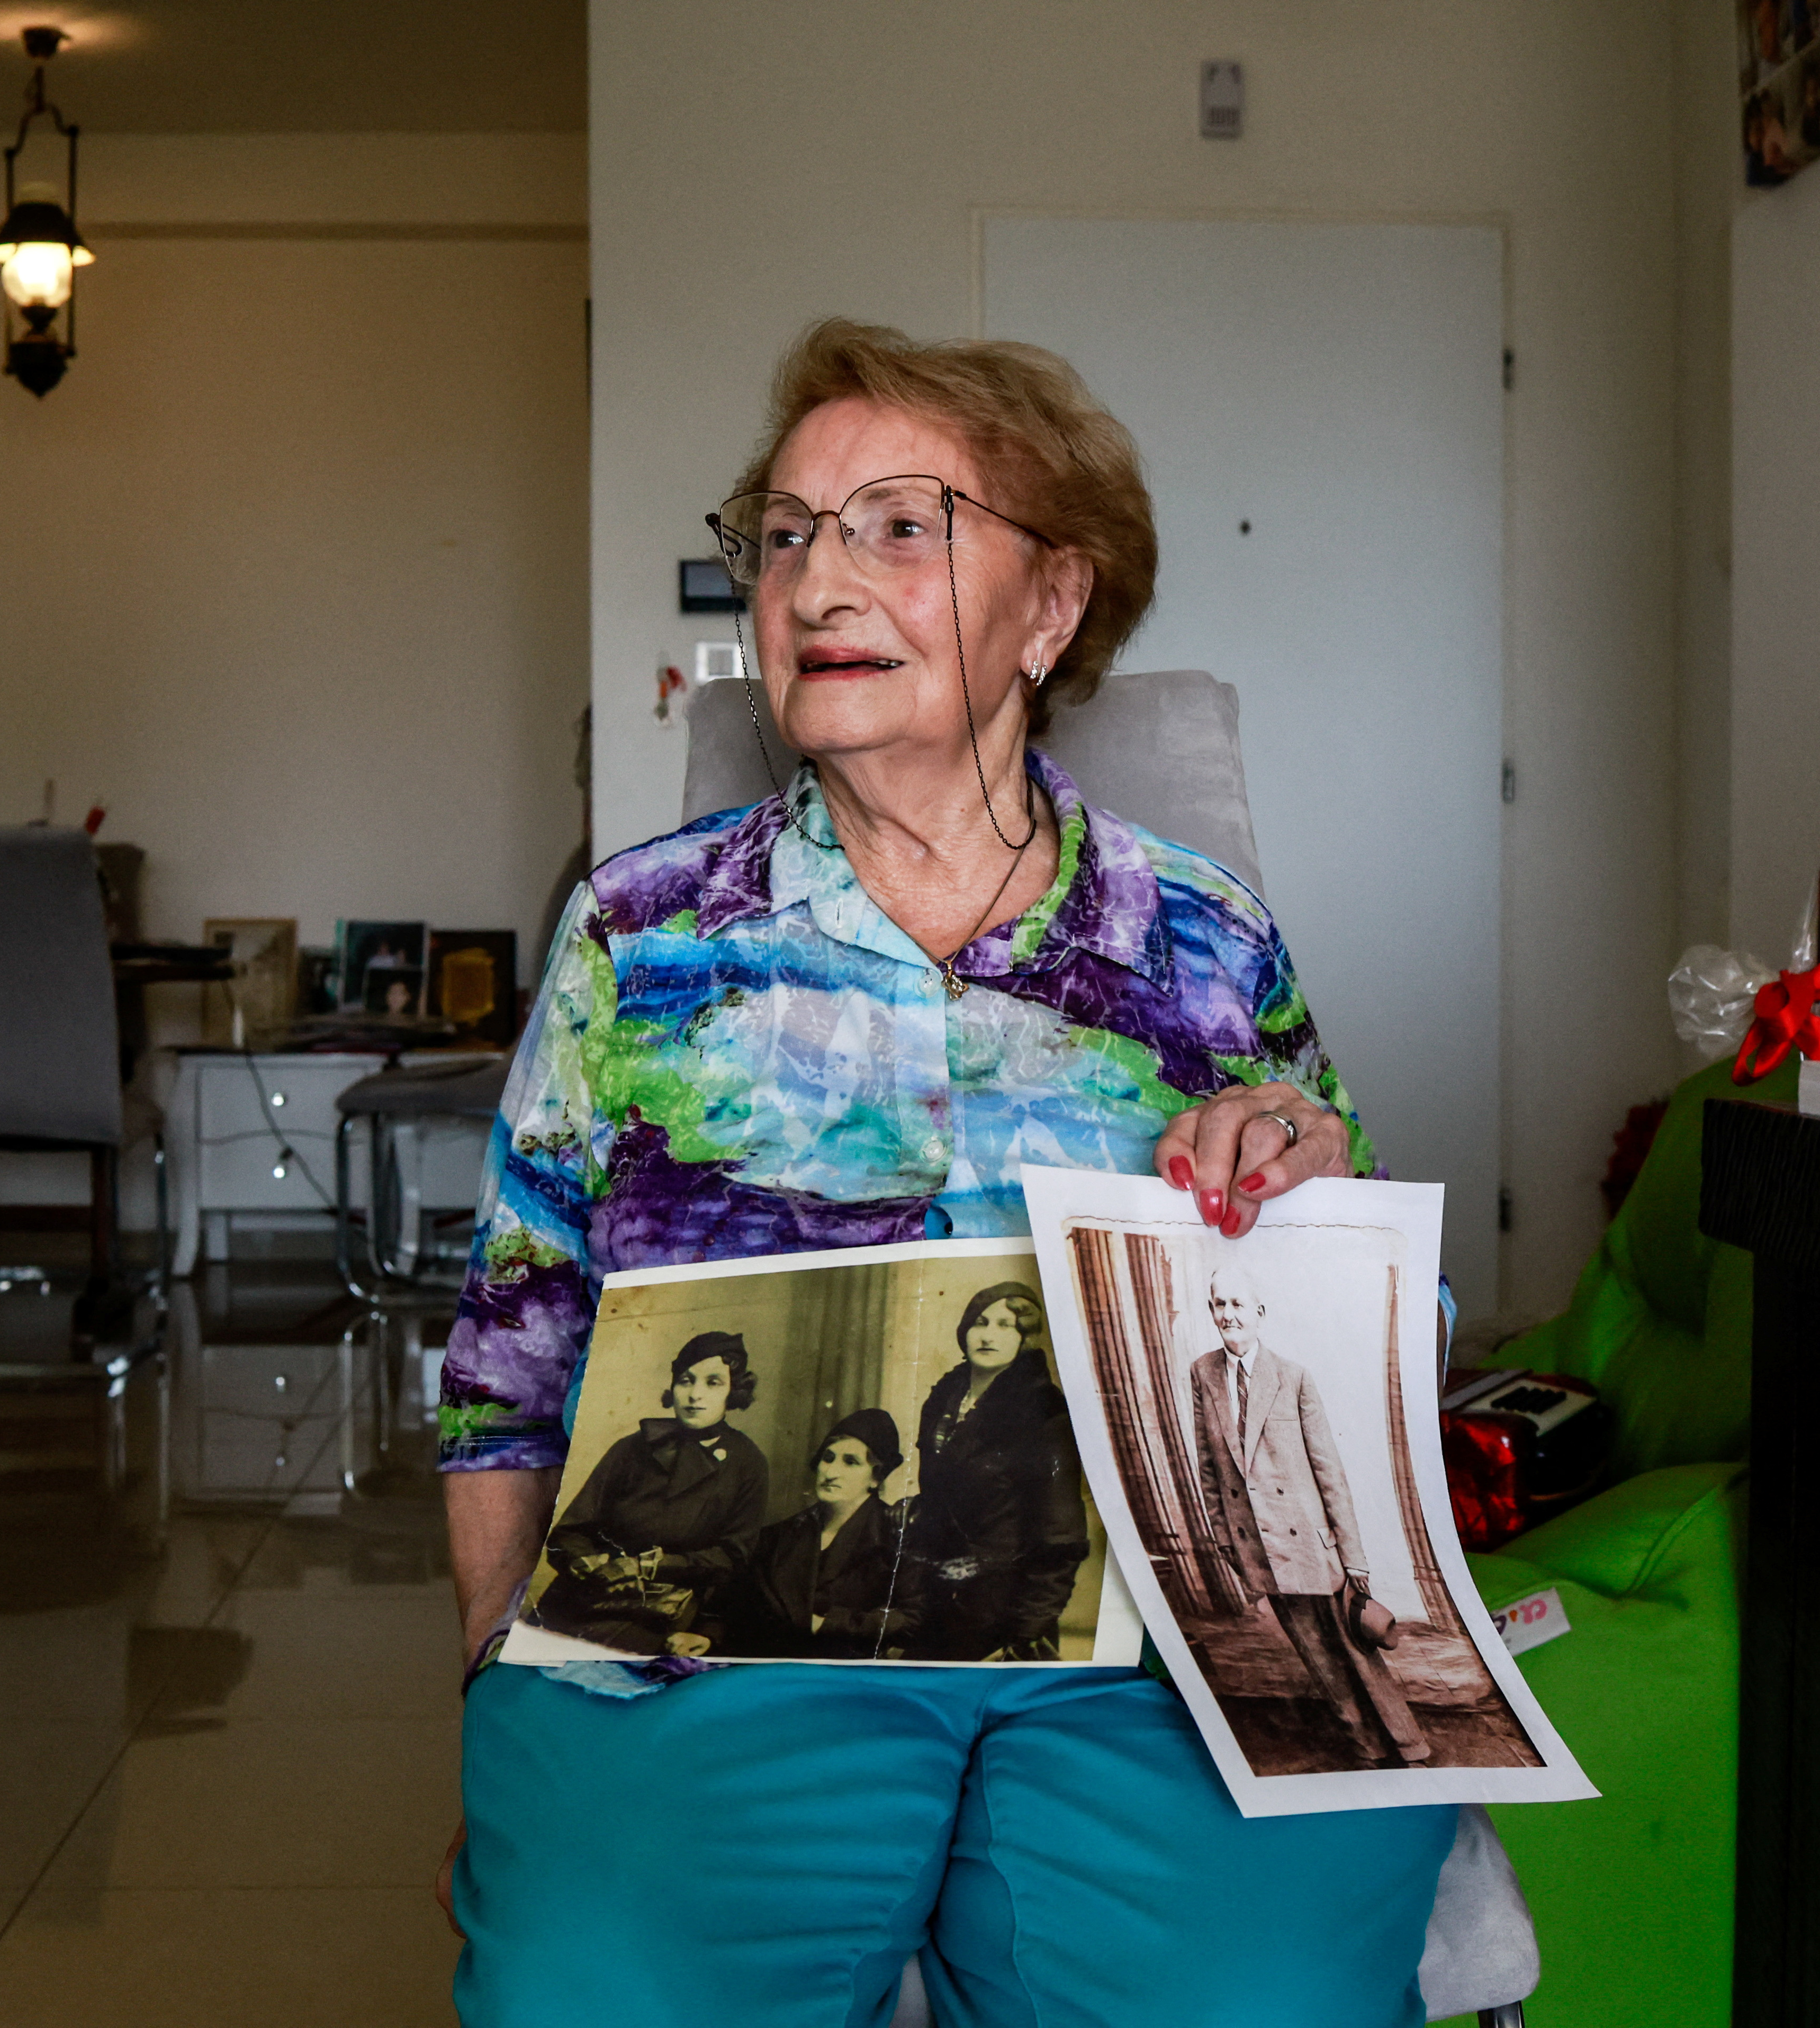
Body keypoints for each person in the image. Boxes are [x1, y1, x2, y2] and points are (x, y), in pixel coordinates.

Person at [439, 319, 1452, 2025]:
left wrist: (1309, 1175)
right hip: (732, 1628)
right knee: (594, 1981)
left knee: (1259, 1991)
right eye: (785, 533)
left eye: (900, 525)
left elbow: (1381, 1341)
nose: (817, 580)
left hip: (1145, 1639)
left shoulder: (1201, 936)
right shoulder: (641, 933)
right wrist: (494, 1654)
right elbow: (508, 1348)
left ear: (1050, 606)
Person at [1190, 1264, 1431, 1770]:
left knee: (1356, 1652)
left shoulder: (1292, 1376)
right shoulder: (1203, 1373)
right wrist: (1227, 1544)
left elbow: (1329, 1471)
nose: (1228, 1314)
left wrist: (1353, 1557)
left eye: (1237, 1304)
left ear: (1259, 1312)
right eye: (1219, 1304)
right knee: (1319, 1661)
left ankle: (1409, 1748)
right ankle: (1367, 1749)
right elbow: (1209, 1469)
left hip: (1315, 1549)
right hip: (1260, 1550)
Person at [524, 1332, 768, 1657]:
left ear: (733, 1391)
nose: (695, 1395)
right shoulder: (632, 1448)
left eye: (713, 1383)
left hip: (664, 1610)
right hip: (586, 1595)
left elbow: (733, 1558)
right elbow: (570, 1532)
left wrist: (647, 1567)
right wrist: (585, 1562)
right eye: (686, 1381)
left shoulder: (747, 1463)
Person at [899, 1282, 1091, 1662]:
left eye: (1006, 1326)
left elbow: (1061, 1535)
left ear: (1026, 1338)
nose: (988, 1336)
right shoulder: (943, 1400)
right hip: (936, 1598)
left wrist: (1028, 1630)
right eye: (981, 1322)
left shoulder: (1044, 1411)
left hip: (1005, 1611)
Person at [692, 1408, 917, 1661]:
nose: (831, 1473)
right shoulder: (779, 1536)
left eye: (851, 1462)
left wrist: (828, 1624)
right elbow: (737, 1599)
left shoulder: (896, 1537)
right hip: (774, 1662)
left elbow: (911, 1618)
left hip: (845, 1670)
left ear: (876, 1477)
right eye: (828, 1458)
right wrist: (708, 1635)